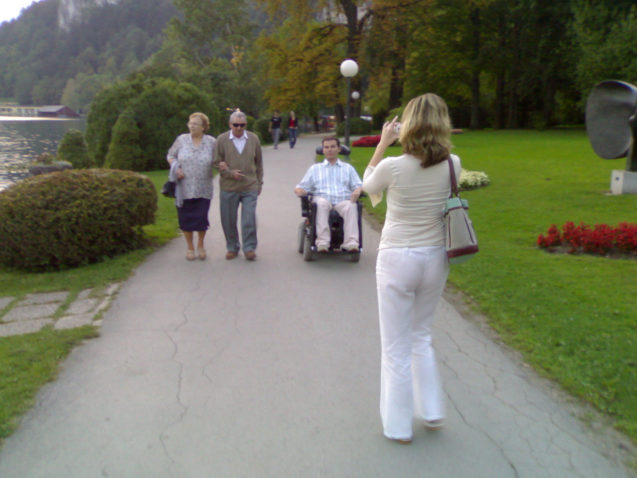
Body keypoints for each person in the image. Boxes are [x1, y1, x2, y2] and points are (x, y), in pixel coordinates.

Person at [362, 93, 461, 444]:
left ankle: (399, 426)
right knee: (421, 335)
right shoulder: (454, 164)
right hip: (435, 257)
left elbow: (366, 186)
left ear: (409, 124)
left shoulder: (394, 166)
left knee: (395, 346)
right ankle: (432, 410)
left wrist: (383, 143)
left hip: (398, 258)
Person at [294, 136, 362, 252]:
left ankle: (351, 243)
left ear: (339, 149)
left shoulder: (348, 168)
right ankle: (322, 243)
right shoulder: (315, 169)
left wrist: (358, 190)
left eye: (332, 147)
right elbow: (301, 186)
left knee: (351, 206)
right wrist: (300, 191)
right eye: (326, 147)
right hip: (322, 198)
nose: (329, 149)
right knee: (321, 204)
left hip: (342, 199)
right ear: (323, 150)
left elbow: (358, 185)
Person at [213, 111, 263, 261]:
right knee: (228, 219)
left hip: (250, 186)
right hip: (229, 186)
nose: (239, 128)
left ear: (246, 125)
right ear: (230, 124)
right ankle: (232, 247)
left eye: (242, 125)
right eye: (236, 125)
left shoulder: (253, 139)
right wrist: (229, 172)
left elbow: (259, 163)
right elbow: (216, 162)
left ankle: (249, 248)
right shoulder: (221, 140)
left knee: (249, 218)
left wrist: (259, 182)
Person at [166, 112, 216, 261]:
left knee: (201, 219)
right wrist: (176, 168)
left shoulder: (211, 142)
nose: (192, 126)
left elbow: (219, 159)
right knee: (185, 219)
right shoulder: (181, 140)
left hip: (203, 187)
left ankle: (200, 245)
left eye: (195, 124)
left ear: (203, 127)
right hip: (184, 188)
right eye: (190, 123)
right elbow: (170, 155)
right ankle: (190, 247)